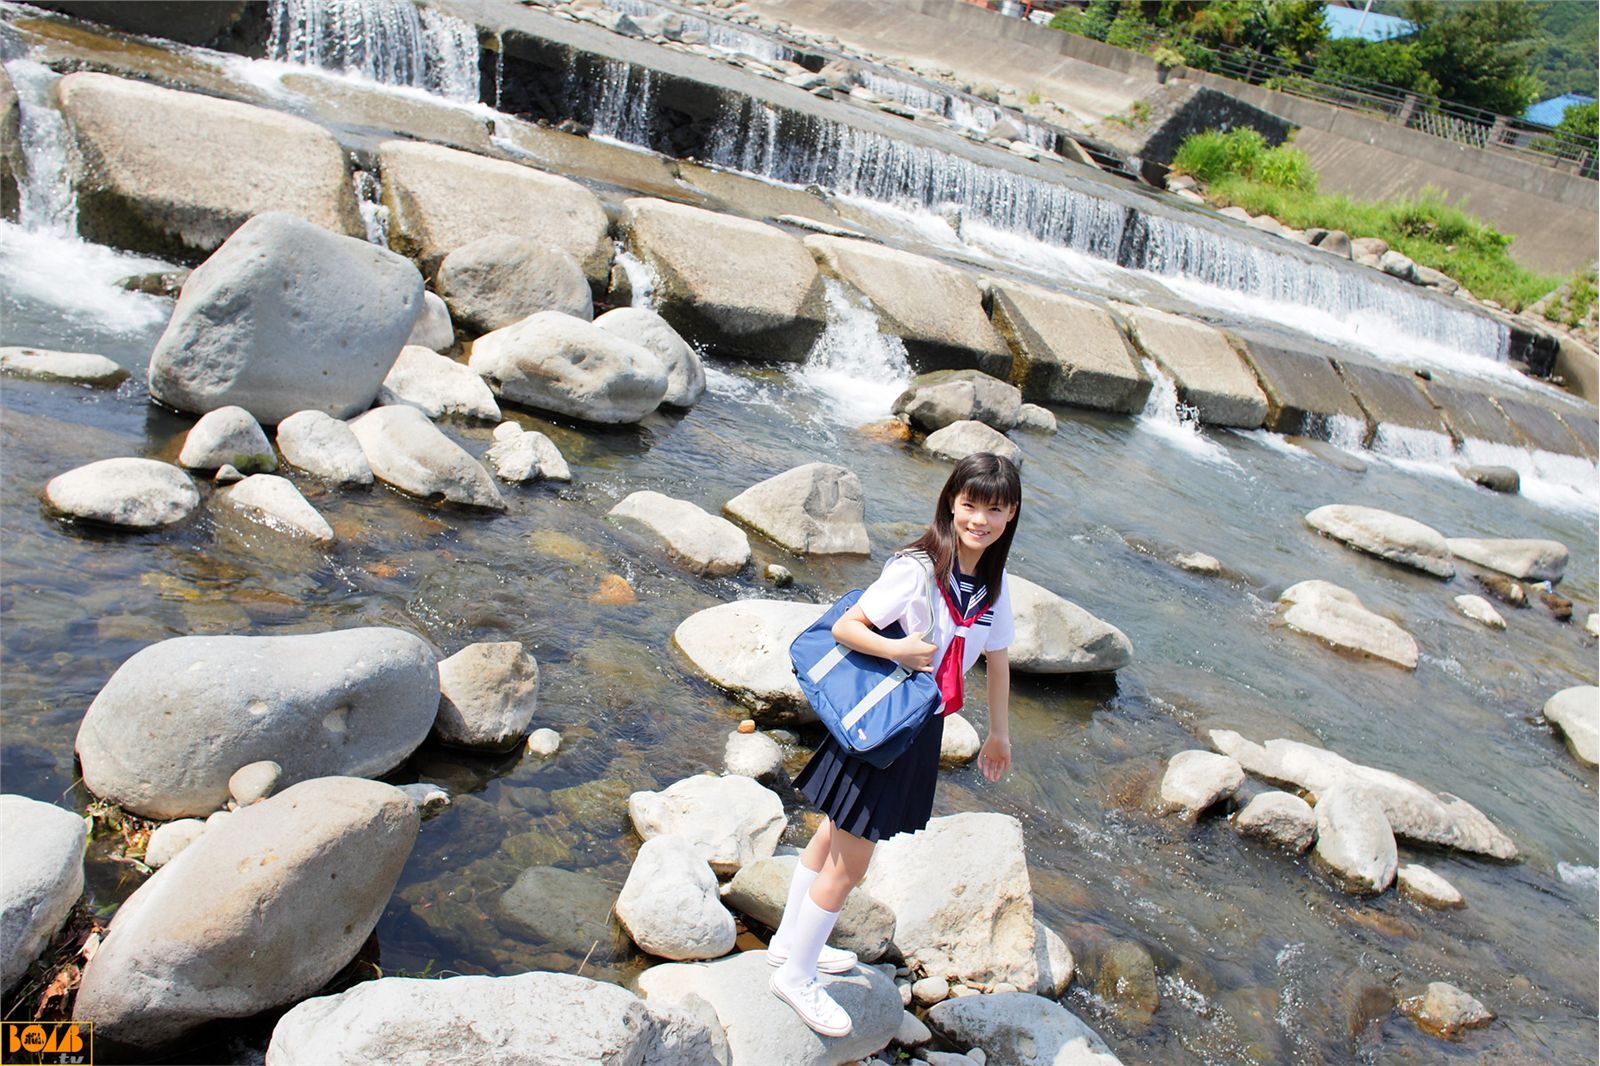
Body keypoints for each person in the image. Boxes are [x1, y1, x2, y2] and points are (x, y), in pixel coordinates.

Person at [767, 451, 1021, 1037]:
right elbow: (845, 626)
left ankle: (788, 943)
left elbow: (1000, 659)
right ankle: (798, 975)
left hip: (918, 724)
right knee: (853, 856)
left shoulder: (993, 585)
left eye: (994, 509)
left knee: (833, 833)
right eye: (969, 505)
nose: (979, 519)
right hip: (885, 718)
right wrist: (899, 651)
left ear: (1010, 517)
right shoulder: (917, 568)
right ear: (951, 504)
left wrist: (999, 733)